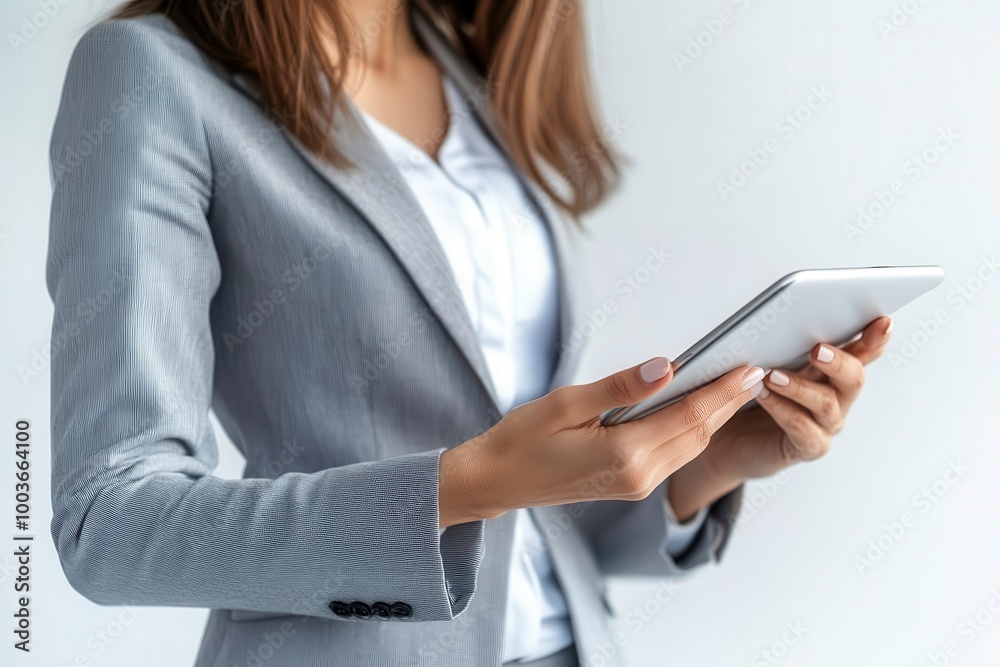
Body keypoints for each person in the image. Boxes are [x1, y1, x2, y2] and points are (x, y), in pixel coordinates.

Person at [46, 1, 892, 665]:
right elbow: (110, 522)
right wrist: (459, 486)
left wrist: (709, 459)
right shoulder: (150, 73)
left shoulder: (468, 68)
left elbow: (531, 499)